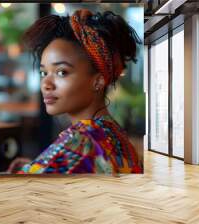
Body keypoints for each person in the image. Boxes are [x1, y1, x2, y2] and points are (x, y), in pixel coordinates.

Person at [8, 9, 143, 174]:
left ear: (98, 81)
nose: (46, 84)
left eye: (62, 72)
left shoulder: (81, 143)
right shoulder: (114, 133)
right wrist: (38, 166)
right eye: (44, 73)